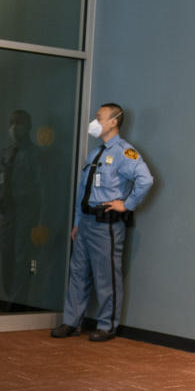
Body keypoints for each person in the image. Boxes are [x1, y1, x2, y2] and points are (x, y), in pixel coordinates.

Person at [51, 103, 153, 342]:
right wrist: (77, 222)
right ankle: (71, 322)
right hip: (86, 222)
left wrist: (126, 205)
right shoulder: (96, 152)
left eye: (99, 117)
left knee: (106, 275)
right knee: (78, 273)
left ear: (113, 121)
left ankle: (107, 326)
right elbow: (82, 190)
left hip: (106, 223)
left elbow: (145, 180)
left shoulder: (124, 152)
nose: (95, 121)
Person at [0, 109, 42, 307]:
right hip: (8, 211)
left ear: (27, 127)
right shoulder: (5, 153)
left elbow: (40, 185)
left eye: (19, 123)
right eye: (11, 123)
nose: (14, 127)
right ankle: (10, 295)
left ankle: (18, 302)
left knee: (22, 256)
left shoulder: (34, 154)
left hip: (26, 211)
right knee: (6, 252)